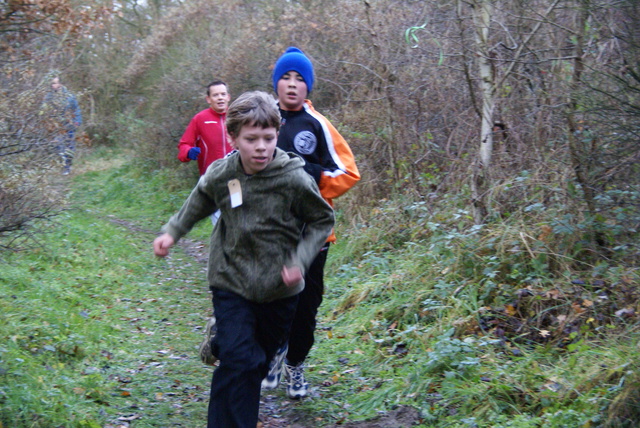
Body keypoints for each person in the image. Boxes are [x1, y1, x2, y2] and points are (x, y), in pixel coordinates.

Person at [153, 91, 335, 428]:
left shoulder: (293, 178)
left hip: (278, 291)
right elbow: (201, 200)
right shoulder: (223, 173)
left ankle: (222, 339)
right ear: (233, 136)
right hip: (231, 280)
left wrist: (300, 259)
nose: (261, 147)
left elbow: (322, 220)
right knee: (241, 360)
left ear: (277, 134)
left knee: (255, 363)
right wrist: (172, 231)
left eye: (268, 138)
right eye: (251, 139)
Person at [261, 47, 360, 399]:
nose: (291, 85)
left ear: (309, 87)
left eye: (299, 79)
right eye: (285, 78)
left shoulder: (318, 125)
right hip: (269, 234)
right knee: (271, 302)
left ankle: (296, 366)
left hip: (313, 235)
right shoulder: (262, 118)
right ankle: (273, 353)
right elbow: (236, 160)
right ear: (275, 84)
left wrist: (307, 172)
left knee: (305, 307)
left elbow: (348, 172)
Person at [177, 80, 233, 176]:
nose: (220, 98)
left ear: (228, 97)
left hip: (236, 175)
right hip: (210, 177)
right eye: (215, 95)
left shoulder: (238, 116)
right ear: (208, 99)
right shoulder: (200, 119)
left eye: (223, 94)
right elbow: (184, 145)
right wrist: (188, 152)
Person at [44, 76, 82, 175]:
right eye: (52, 83)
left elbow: (76, 109)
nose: (54, 85)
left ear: (60, 84)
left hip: (69, 125)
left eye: (56, 83)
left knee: (70, 147)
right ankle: (63, 166)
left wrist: (77, 121)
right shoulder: (48, 97)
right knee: (58, 146)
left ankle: (68, 166)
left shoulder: (69, 96)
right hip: (56, 126)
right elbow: (44, 110)